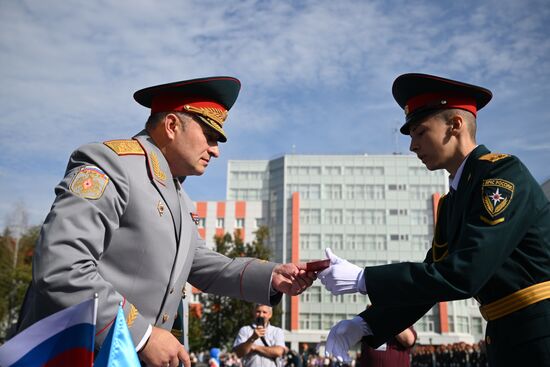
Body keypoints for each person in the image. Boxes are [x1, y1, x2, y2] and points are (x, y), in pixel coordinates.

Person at [15, 76, 315, 367]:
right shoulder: (111, 163)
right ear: (171, 125)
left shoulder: (181, 199)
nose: (216, 150)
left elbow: (199, 264)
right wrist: (141, 336)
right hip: (75, 353)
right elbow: (62, 264)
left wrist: (271, 276)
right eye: (210, 137)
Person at [318, 73, 550, 366]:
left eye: (420, 132)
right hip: (510, 339)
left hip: (540, 335)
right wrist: (366, 324)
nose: (413, 145)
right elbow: (435, 272)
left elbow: (464, 273)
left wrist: (366, 279)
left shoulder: (500, 176)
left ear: (455, 125)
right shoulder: (454, 200)